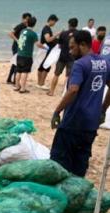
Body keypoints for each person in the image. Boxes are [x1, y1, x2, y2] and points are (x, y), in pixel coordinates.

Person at [50, 30, 110, 177]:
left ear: (83, 45)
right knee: (80, 165)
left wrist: (57, 111)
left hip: (73, 122)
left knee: (59, 164)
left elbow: (73, 90)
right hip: (90, 124)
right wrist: (102, 110)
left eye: (72, 47)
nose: (70, 51)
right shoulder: (104, 63)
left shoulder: (80, 64)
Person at [49, 18, 78, 96]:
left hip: (62, 57)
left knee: (56, 74)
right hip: (72, 57)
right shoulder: (78, 34)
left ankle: (51, 91)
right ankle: (64, 92)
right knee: (68, 76)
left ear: (69, 24)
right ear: (76, 25)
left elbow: (59, 45)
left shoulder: (63, 33)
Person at [15, 16, 44, 93]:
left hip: (19, 53)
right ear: (34, 24)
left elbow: (20, 41)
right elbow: (37, 44)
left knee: (18, 71)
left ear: (27, 23)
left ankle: (17, 86)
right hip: (27, 55)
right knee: (25, 72)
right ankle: (22, 88)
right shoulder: (33, 34)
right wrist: (44, 47)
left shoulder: (22, 31)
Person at [6, 12, 31, 84]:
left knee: (15, 63)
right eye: (26, 19)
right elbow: (10, 33)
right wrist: (17, 41)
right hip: (16, 46)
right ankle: (13, 80)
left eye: (28, 19)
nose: (27, 21)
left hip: (20, 46)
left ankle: (10, 79)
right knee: (17, 62)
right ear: (23, 19)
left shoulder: (26, 27)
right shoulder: (20, 26)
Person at [36, 15, 59, 88]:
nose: (54, 24)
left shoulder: (46, 28)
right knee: (46, 66)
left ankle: (39, 83)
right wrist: (57, 34)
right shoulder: (46, 28)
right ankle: (41, 83)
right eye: (54, 22)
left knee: (42, 66)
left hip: (45, 49)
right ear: (51, 20)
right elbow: (48, 39)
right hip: (47, 49)